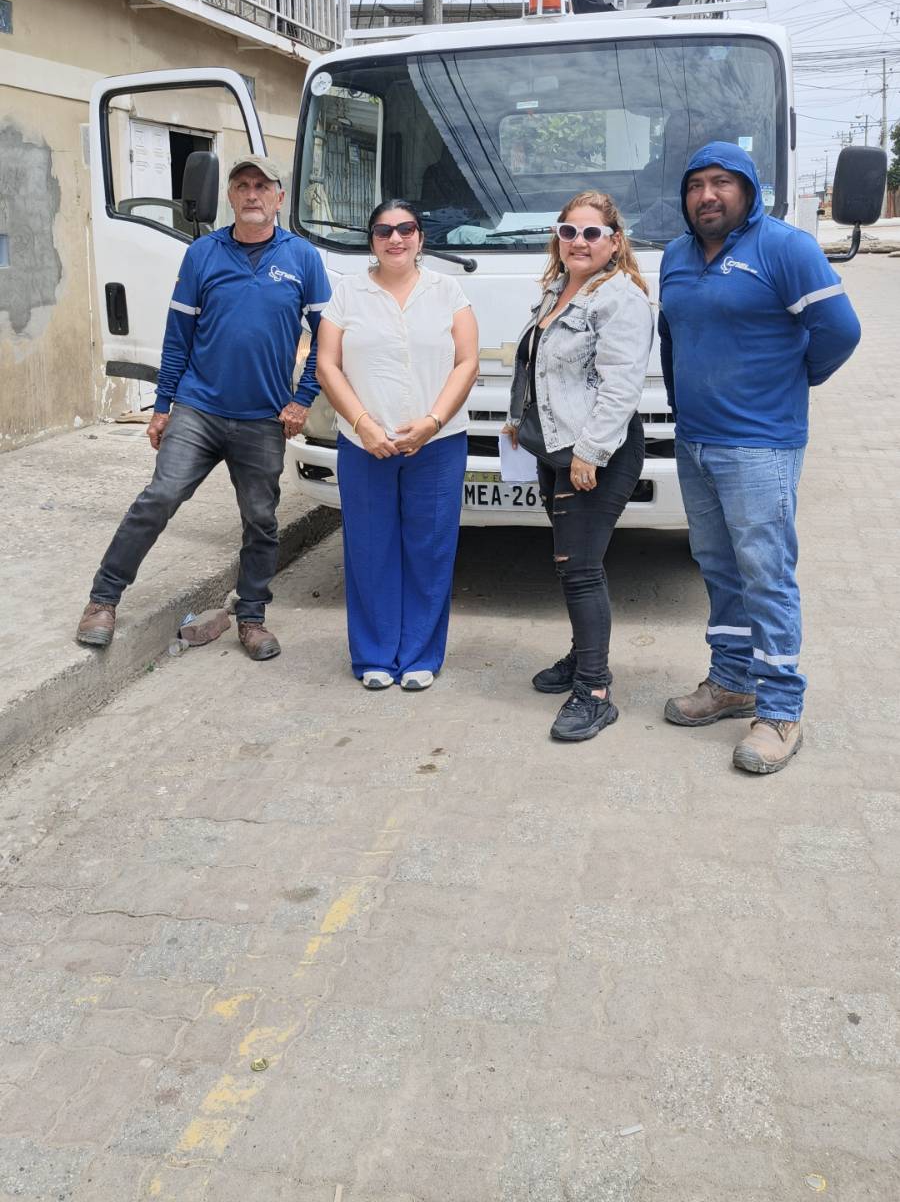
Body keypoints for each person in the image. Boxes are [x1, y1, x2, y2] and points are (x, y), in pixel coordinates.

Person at [75, 157, 331, 661]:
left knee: (261, 519)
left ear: (279, 197)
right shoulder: (202, 254)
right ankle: (103, 600)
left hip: (263, 417)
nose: (252, 194)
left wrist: (303, 399)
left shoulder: (302, 257)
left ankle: (252, 618)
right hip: (199, 408)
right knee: (160, 496)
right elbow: (178, 338)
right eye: (242, 185)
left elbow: (328, 338)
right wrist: (162, 406)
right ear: (230, 197)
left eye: (262, 186)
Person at [658, 141, 861, 773]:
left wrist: (793, 380)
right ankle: (731, 681)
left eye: (722, 182)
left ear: (748, 190)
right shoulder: (675, 255)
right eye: (696, 185)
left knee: (765, 576)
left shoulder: (785, 247)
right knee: (717, 567)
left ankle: (780, 710)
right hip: (695, 440)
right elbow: (672, 336)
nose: (707, 196)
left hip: (760, 445)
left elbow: (841, 331)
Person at [505, 191, 653, 743]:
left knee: (581, 567)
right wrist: (518, 419)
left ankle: (595, 691)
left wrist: (590, 452)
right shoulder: (557, 289)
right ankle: (582, 655)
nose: (579, 242)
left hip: (594, 454)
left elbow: (620, 387)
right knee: (571, 564)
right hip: (554, 448)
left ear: (614, 242)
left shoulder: (620, 298)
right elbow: (539, 367)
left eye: (592, 233)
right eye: (569, 231)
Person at [316, 200, 478, 690]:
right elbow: (327, 364)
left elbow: (467, 362)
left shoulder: (447, 291)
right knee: (370, 549)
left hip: (437, 442)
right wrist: (363, 423)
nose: (396, 239)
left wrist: (432, 421)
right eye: (384, 231)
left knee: (430, 549)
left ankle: (421, 655)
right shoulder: (348, 293)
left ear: (420, 238)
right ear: (372, 240)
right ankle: (375, 655)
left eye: (406, 229)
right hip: (365, 443)